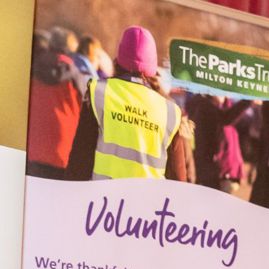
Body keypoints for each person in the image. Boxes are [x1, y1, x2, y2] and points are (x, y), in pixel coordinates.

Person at [66, 25, 187, 181]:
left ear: (119, 59)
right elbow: (178, 182)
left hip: (103, 202)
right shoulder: (170, 112)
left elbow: (79, 162)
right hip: (149, 204)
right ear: (152, 65)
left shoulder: (99, 93)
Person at [27, 29, 89, 179]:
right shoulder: (76, 76)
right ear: (70, 50)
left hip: (33, 147)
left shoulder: (33, 68)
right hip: (63, 152)